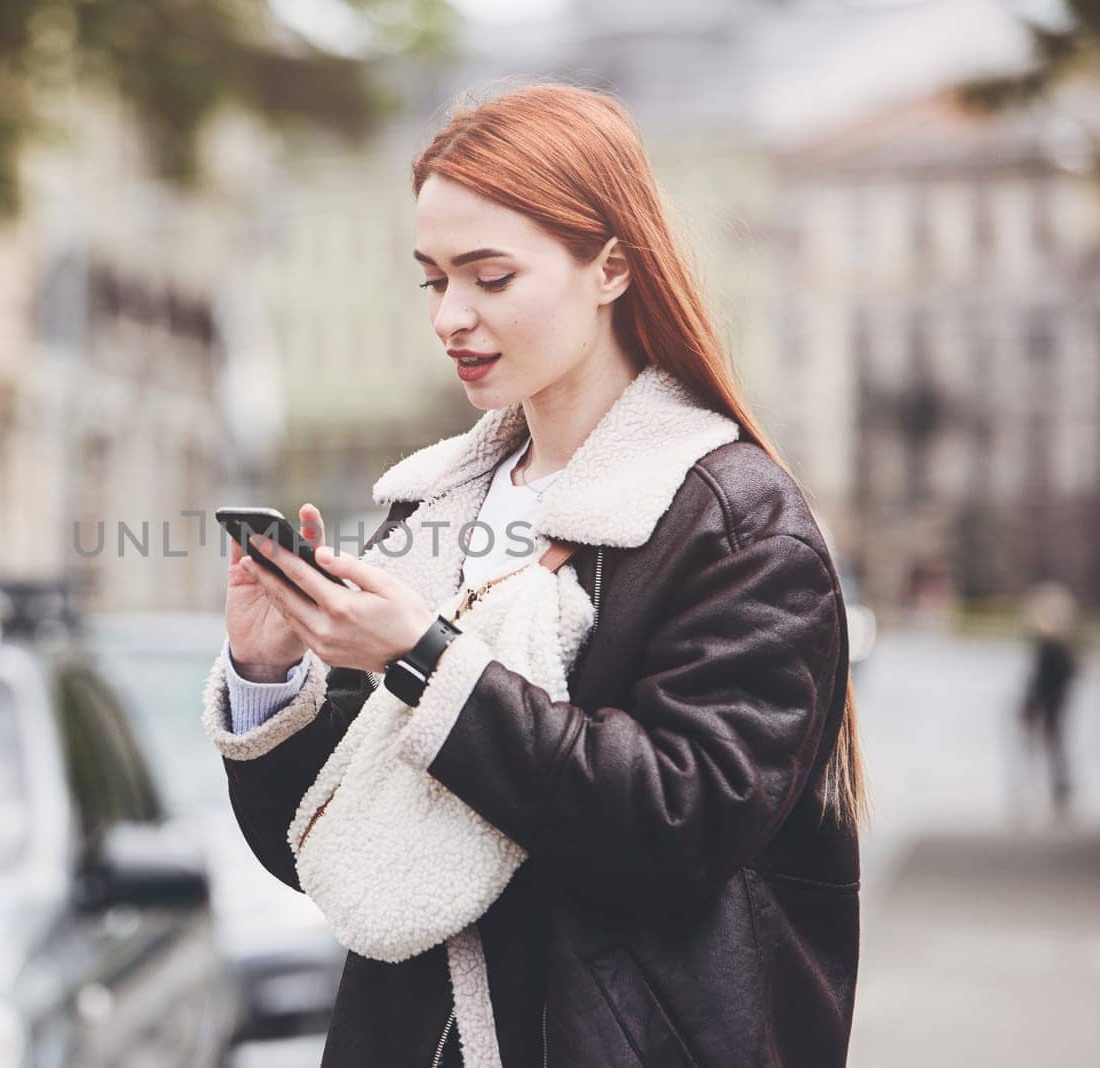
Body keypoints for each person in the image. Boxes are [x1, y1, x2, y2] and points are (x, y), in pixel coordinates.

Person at [201, 82, 864, 1068]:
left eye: (490, 277)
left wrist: (424, 660)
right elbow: (337, 858)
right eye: (432, 280)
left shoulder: (730, 520)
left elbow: (673, 829)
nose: (450, 316)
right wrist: (268, 678)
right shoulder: (432, 508)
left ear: (612, 266)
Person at [1018, 581, 1080, 821]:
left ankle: (1052, 792)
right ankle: (1052, 792)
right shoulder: (1055, 647)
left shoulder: (1054, 648)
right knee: (1050, 749)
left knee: (1050, 749)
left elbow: (1047, 681)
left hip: (1050, 706)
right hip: (1049, 705)